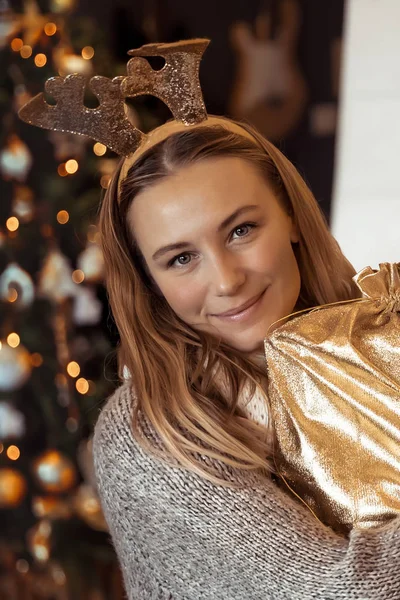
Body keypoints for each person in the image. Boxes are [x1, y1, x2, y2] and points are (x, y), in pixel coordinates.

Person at [93, 116, 400, 599]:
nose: (227, 280)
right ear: (149, 283)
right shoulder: (145, 436)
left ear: (291, 216)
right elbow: (343, 591)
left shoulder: (379, 332)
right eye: (180, 258)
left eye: (241, 230)